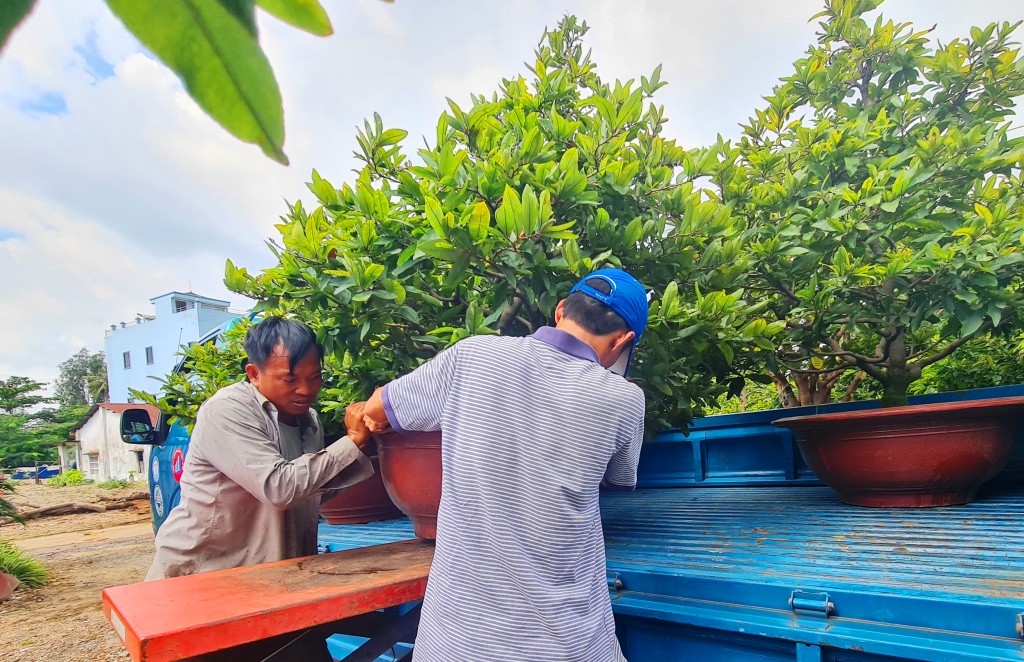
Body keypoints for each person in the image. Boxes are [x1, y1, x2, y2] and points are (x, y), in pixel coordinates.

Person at [355, 268, 650, 662]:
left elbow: (378, 410)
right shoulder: (625, 399)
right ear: (624, 340)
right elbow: (618, 477)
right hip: (566, 644)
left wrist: (363, 417)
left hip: (455, 644)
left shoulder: (474, 355)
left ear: (561, 310)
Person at [146, 317, 374, 582]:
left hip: (269, 575)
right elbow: (279, 487)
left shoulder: (309, 419)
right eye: (289, 380)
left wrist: (368, 444)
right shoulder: (227, 409)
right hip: (206, 574)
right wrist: (352, 441)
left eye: (314, 378)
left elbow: (309, 493)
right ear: (254, 374)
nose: (306, 390)